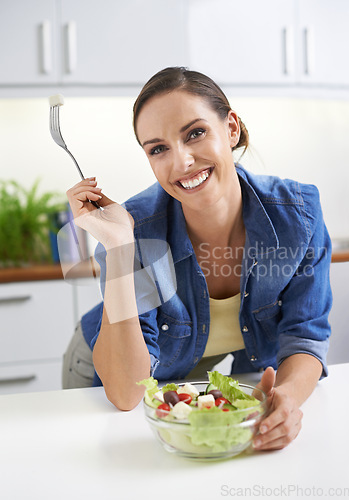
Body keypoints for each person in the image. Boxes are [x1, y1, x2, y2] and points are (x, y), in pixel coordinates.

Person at [64, 67, 332, 451]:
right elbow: (125, 393)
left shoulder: (298, 216)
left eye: (195, 133)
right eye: (158, 149)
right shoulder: (133, 230)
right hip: (105, 369)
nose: (182, 162)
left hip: (194, 376)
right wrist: (121, 250)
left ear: (232, 128)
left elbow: (305, 336)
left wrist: (286, 398)